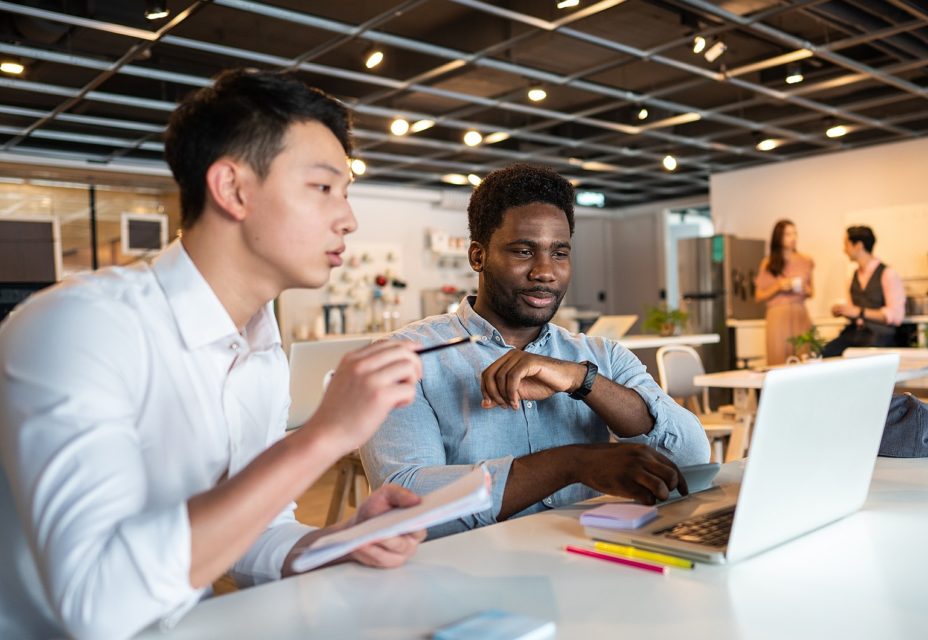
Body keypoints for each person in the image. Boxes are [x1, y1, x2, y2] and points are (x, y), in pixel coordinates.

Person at [0, 70, 428, 639]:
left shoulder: (260, 350)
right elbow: (97, 607)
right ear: (232, 189)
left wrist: (337, 540)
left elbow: (249, 529)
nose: (347, 218)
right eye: (324, 189)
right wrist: (320, 438)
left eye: (346, 194)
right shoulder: (80, 326)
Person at [361, 163, 710, 538]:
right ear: (478, 257)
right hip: (470, 576)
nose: (545, 272)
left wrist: (582, 379)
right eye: (524, 251)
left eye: (559, 253)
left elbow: (691, 456)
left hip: (589, 563)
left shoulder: (601, 355)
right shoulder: (405, 358)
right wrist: (570, 464)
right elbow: (405, 502)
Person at [821, 225, 907, 356]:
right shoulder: (852, 276)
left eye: (846, 244)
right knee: (825, 353)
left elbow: (896, 316)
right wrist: (843, 310)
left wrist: (859, 312)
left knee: (862, 357)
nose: (844, 250)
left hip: (880, 336)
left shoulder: (888, 274)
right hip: (856, 333)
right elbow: (853, 311)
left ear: (858, 245)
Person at [754, 219, 815, 365]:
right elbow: (759, 296)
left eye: (795, 233)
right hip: (777, 316)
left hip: (800, 314)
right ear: (778, 237)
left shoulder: (806, 260)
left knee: (803, 357)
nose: (793, 238)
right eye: (788, 234)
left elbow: (812, 292)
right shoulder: (768, 263)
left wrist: (804, 289)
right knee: (778, 359)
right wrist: (779, 286)